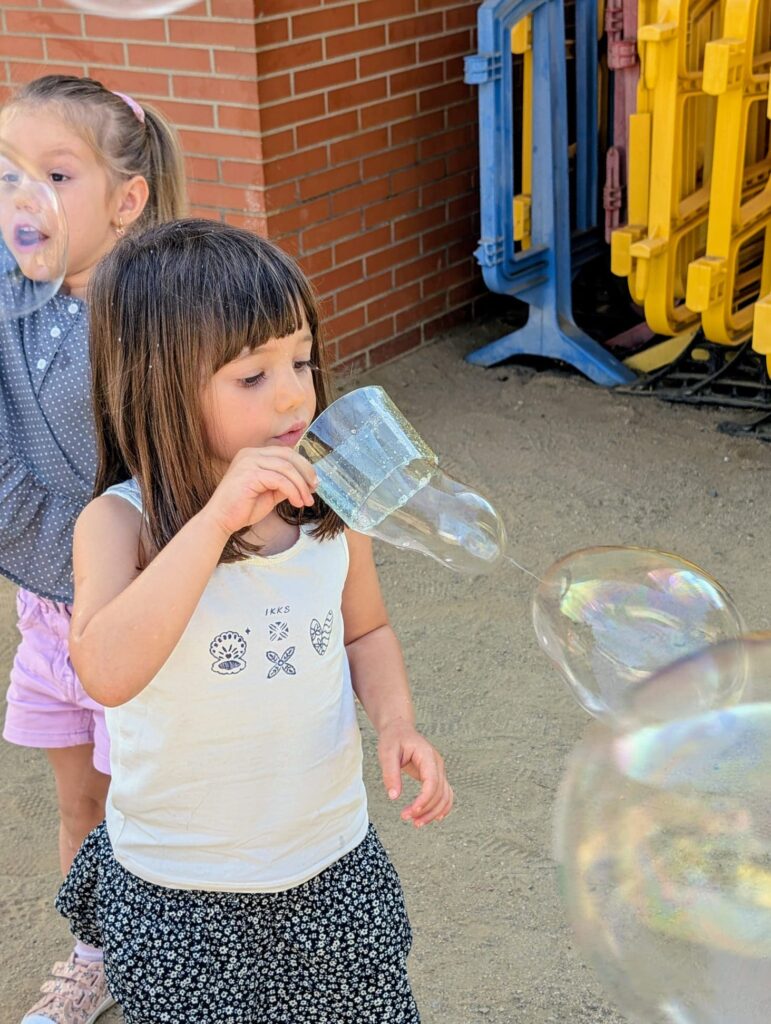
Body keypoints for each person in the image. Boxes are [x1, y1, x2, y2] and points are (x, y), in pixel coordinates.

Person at [57, 219, 454, 1023]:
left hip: (330, 861)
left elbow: (365, 631)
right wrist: (213, 521)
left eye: (301, 360)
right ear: (160, 386)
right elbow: (105, 671)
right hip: (179, 890)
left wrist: (396, 721)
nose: (294, 394)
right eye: (252, 374)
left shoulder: (330, 504)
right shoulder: (121, 524)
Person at [0, 75, 187, 1024]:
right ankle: (96, 954)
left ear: (127, 201)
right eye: (7, 173)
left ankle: (175, 959)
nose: (23, 196)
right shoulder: (7, 294)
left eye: (56, 174)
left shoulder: (160, 315)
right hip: (48, 610)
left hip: (140, 610)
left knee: (155, 808)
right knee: (81, 805)